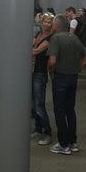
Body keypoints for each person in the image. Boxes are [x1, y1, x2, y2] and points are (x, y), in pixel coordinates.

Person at [47, 15, 86, 155]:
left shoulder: (55, 38)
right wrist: (78, 69)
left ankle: (63, 145)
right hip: (73, 77)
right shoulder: (74, 38)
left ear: (57, 26)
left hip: (60, 78)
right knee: (70, 110)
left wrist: (51, 72)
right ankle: (73, 142)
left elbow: (52, 61)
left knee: (59, 111)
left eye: (53, 24)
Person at [31, 13, 54, 146]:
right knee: (34, 103)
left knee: (40, 105)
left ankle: (47, 132)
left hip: (40, 73)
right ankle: (38, 128)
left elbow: (35, 51)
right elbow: (33, 45)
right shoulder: (39, 33)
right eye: (45, 21)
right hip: (33, 72)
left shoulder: (50, 38)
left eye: (49, 22)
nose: (46, 24)